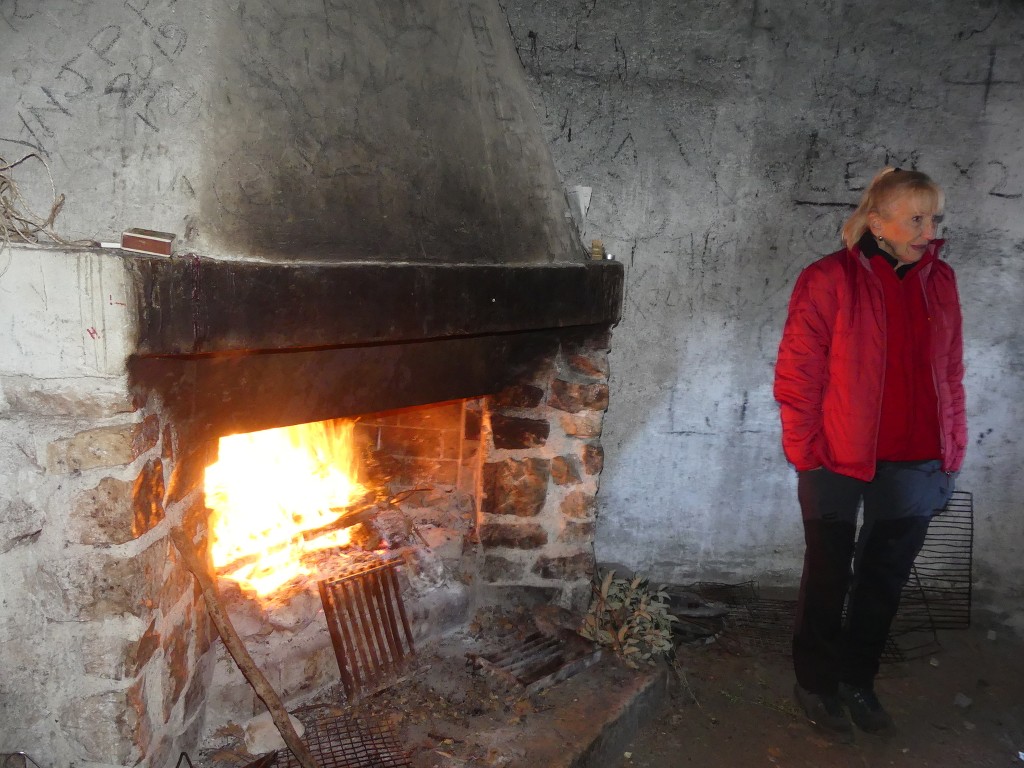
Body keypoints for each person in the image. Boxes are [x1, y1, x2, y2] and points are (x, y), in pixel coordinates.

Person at [773, 167, 967, 737]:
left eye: (933, 218)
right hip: (835, 456)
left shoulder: (942, 282)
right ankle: (814, 683)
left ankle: (858, 680)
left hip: (916, 460)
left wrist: (950, 452)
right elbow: (798, 373)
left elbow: (950, 372)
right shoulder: (828, 279)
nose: (928, 230)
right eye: (915, 218)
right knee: (828, 575)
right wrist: (806, 451)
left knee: (884, 579)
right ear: (877, 224)